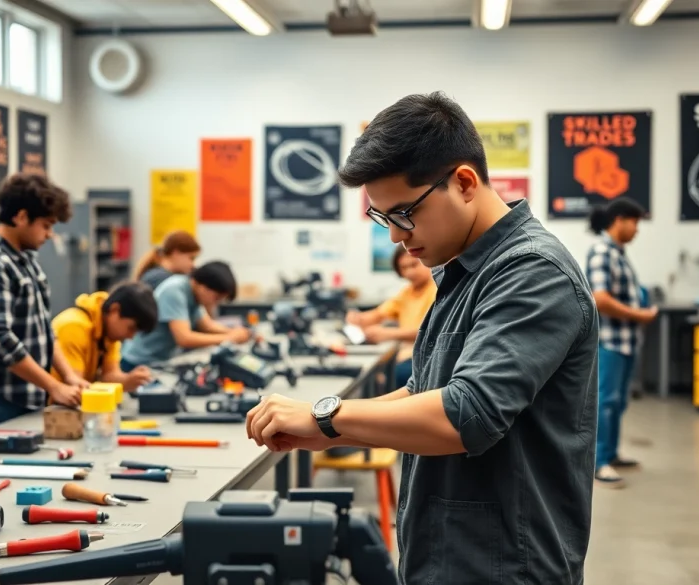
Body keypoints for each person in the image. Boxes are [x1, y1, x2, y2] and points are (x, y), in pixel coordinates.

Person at [244, 92, 599, 585]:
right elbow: (424, 393)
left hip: (503, 566)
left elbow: (464, 414)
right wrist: (324, 430)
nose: (395, 236)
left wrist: (325, 414)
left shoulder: (532, 271)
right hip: (451, 554)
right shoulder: (464, 273)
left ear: (464, 182)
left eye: (404, 213)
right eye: (383, 217)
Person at [0, 173, 89, 430]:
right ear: (21, 217)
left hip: (27, 396)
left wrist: (69, 376)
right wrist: (54, 386)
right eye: (46, 225)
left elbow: (45, 331)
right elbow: (0, 339)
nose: (50, 234)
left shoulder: (26, 260)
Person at [584, 198, 657, 489]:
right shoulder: (602, 252)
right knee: (605, 403)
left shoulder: (618, 254)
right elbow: (600, 299)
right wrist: (639, 314)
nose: (637, 230)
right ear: (619, 220)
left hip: (625, 342)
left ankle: (611, 454)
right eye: (635, 222)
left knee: (618, 402)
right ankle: (599, 461)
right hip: (610, 342)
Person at [120, 262, 252, 370]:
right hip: (138, 363)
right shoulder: (175, 291)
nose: (216, 303)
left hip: (159, 361)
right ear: (202, 286)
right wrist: (228, 338)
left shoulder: (194, 295)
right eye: (216, 297)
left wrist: (240, 333)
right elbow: (184, 338)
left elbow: (207, 325)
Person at [346, 244, 436, 387]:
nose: (410, 272)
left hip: (427, 359)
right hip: (408, 357)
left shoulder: (437, 290)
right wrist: (357, 318)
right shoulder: (407, 293)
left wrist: (388, 333)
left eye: (414, 265)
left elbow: (431, 331)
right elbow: (378, 314)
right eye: (404, 268)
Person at [51, 282, 158, 392]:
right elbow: (74, 387)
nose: (131, 337)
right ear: (114, 310)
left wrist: (128, 380)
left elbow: (109, 375)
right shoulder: (73, 327)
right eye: (131, 328)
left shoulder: (107, 332)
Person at [133, 230, 201, 291]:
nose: (192, 264)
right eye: (191, 258)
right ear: (176, 253)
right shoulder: (159, 278)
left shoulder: (167, 275)